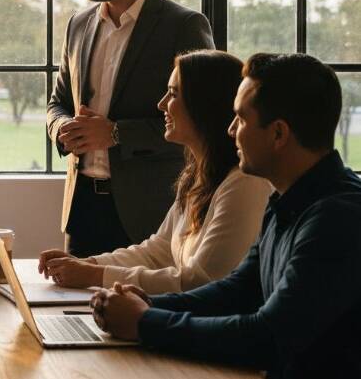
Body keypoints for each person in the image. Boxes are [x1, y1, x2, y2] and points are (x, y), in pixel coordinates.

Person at [91, 53, 361, 378]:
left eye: (241, 120)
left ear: (278, 134)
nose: (231, 130)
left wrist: (145, 322)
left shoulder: (336, 219)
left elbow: (267, 337)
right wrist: (146, 303)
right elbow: (237, 291)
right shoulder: (286, 199)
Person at [47, 0, 214, 258]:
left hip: (149, 216)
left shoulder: (183, 26)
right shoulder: (78, 24)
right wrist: (62, 128)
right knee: (71, 295)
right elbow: (57, 103)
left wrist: (116, 134)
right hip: (81, 212)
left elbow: (204, 122)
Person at [38, 50, 271, 294]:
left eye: (173, 94)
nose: (161, 104)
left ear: (204, 104)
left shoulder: (244, 185)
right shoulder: (196, 177)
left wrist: (94, 275)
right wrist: (87, 264)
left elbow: (199, 282)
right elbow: (158, 251)